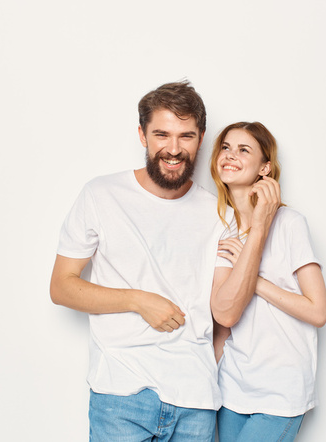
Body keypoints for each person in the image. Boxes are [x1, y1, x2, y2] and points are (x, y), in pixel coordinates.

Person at [49, 82, 270, 441]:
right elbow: (61, 286)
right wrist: (137, 300)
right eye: (161, 134)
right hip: (120, 394)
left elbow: (226, 313)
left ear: (200, 139)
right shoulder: (100, 195)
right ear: (142, 135)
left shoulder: (219, 215)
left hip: (195, 400)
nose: (173, 148)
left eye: (186, 136)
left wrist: (258, 228)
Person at [209, 122, 326, 441]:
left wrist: (254, 280)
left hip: (281, 391)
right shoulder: (224, 232)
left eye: (243, 149)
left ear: (265, 168)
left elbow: (318, 311)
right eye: (225, 147)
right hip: (232, 387)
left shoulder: (290, 224)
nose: (230, 155)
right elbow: (223, 318)